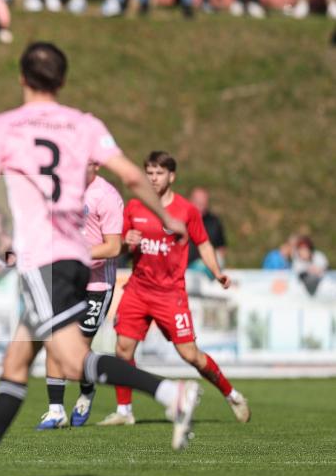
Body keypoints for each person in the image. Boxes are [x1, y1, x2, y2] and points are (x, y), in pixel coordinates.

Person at [0, 42, 202, 476]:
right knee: (17, 363)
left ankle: (171, 393)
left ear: (21, 78)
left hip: (42, 262)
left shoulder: (2, 127)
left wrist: (3, 243)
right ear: (62, 81)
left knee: (74, 361)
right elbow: (133, 176)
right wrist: (170, 216)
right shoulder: (84, 124)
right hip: (78, 259)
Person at [97, 152, 250, 427]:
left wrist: (217, 272)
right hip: (138, 289)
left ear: (172, 176)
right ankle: (124, 411)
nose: (153, 178)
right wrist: (124, 241)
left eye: (159, 173)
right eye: (149, 173)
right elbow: (116, 244)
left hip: (170, 294)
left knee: (190, 355)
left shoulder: (186, 210)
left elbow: (202, 243)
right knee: (123, 349)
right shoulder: (134, 207)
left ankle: (231, 394)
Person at [36, 160, 123, 430]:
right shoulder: (61, 190)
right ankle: (55, 410)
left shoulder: (106, 196)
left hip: (96, 286)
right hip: (66, 280)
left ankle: (87, 391)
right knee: (55, 340)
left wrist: (76, 253)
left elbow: (112, 248)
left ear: (95, 164)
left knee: (78, 353)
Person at [187, 187, 226, 274]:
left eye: (203, 204)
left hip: (205, 266)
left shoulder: (214, 222)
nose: (200, 207)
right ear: (190, 201)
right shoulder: (179, 220)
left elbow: (221, 248)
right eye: (197, 203)